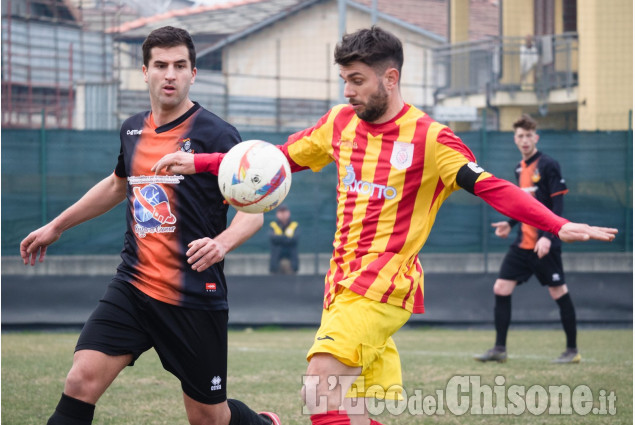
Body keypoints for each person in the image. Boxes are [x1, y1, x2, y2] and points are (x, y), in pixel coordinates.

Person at [152, 26, 617, 425]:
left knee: (319, 387)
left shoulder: (431, 139)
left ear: (390, 78)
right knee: (348, 406)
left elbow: (493, 186)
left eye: (357, 80)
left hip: (384, 283)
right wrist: (203, 162)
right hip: (342, 284)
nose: (348, 91)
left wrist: (556, 224)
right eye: (344, 80)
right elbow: (274, 162)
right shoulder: (340, 124)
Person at [20, 26, 280, 425]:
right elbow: (116, 185)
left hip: (193, 294)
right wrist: (57, 225)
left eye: (180, 65)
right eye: (161, 65)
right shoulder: (131, 129)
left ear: (194, 73)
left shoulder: (217, 134)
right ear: (145, 71)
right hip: (133, 285)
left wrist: (222, 243)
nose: (170, 74)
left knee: (208, 418)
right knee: (80, 380)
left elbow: (252, 210)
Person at [474, 114, 580, 364]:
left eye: (528, 135)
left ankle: (572, 350)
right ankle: (499, 349)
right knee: (501, 287)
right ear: (515, 139)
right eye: (520, 136)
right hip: (523, 244)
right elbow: (525, 206)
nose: (524, 140)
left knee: (558, 292)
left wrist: (548, 236)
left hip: (545, 244)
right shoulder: (519, 168)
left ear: (536, 137)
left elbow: (557, 204)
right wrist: (510, 223)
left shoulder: (548, 165)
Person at [269, 205, 300, 274]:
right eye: (280, 212)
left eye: (284, 212)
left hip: (291, 261)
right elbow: (273, 238)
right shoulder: (273, 225)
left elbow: (294, 239)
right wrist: (287, 238)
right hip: (276, 262)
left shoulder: (294, 225)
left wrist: (280, 238)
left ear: (288, 213)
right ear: (277, 214)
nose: (283, 214)